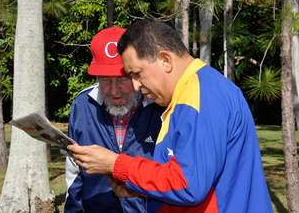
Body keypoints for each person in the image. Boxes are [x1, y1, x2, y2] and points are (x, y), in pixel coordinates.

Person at [67, 20, 273, 213]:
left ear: (165, 60)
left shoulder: (198, 95)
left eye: (137, 74)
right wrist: (138, 189)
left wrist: (116, 165)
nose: (136, 85)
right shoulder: (195, 91)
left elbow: (188, 184)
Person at [64, 26, 164, 213]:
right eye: (105, 80)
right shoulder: (83, 106)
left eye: (122, 79)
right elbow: (74, 172)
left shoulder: (158, 106)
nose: (114, 90)